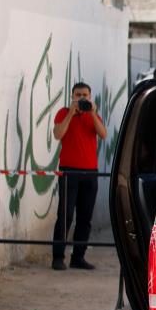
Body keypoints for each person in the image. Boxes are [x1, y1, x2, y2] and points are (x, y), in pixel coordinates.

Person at [51, 82, 107, 271]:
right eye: (78, 95)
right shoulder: (63, 113)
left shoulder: (93, 115)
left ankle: (78, 257)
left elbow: (103, 134)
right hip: (69, 171)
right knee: (65, 215)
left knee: (85, 217)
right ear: (72, 96)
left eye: (85, 95)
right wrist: (71, 113)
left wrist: (92, 113)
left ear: (90, 97)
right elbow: (58, 134)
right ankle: (58, 257)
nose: (81, 98)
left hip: (90, 172)